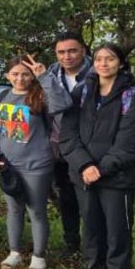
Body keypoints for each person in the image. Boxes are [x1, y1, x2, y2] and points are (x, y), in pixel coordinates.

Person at [60, 43, 135, 269]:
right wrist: (84, 165)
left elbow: (131, 141)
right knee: (91, 221)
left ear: (120, 63)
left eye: (109, 59)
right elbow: (68, 133)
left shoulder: (131, 95)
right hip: (84, 173)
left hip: (117, 176)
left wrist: (101, 168)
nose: (103, 63)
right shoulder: (83, 91)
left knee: (117, 227)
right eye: (98, 58)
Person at [0, 54, 71, 269]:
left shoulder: (41, 95)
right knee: (13, 210)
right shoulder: (2, 96)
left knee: (36, 211)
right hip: (8, 165)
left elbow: (64, 104)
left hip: (37, 164)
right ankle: (15, 252)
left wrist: (45, 77)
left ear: (32, 75)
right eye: (15, 74)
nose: (20, 78)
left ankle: (39, 256)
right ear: (7, 76)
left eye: (25, 74)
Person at [47, 31, 92, 253]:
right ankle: (71, 243)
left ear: (83, 50)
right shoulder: (52, 74)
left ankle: (93, 248)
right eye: (61, 52)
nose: (67, 56)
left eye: (72, 50)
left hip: (86, 149)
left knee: (89, 200)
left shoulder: (96, 74)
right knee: (66, 197)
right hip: (57, 147)